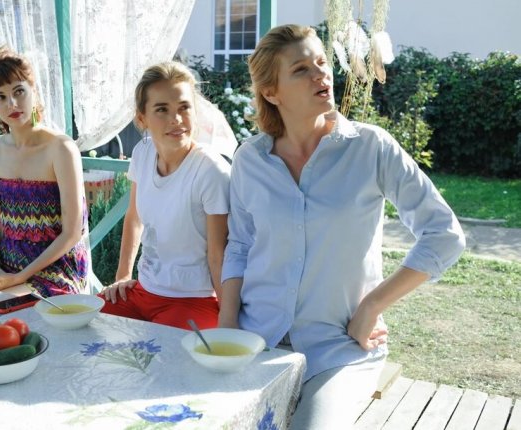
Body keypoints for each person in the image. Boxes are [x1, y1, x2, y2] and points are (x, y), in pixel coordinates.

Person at [218, 25, 465, 429]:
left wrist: (372, 306)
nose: (321, 74)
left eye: (321, 62)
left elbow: (444, 235)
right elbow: (241, 245)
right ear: (271, 92)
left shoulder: (371, 148)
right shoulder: (250, 159)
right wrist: (228, 328)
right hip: (256, 339)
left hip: (338, 348)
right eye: (301, 69)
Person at [98, 61, 231, 330]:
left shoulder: (211, 171)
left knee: (161, 350)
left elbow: (219, 256)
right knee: (88, 323)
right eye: (162, 109)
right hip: (143, 292)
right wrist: (122, 276)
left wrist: (230, 320)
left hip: (194, 300)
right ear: (142, 119)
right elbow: (134, 218)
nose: (176, 119)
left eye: (184, 107)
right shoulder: (143, 153)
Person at [0, 46, 90, 296]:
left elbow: (72, 233)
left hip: (57, 270)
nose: (12, 103)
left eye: (19, 91)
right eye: (0, 96)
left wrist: (20, 277)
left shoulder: (61, 148)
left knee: (4, 307)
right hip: (6, 267)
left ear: (33, 90)